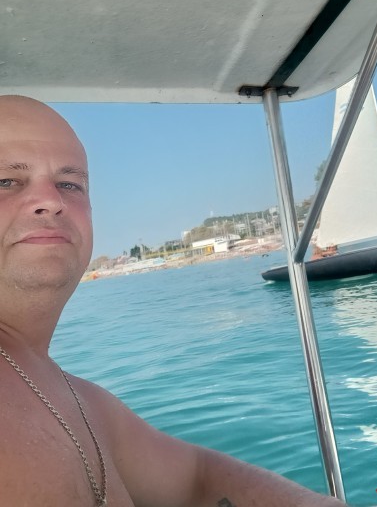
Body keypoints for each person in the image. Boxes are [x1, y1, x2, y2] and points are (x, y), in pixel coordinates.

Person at [0, 94, 346, 507]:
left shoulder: (82, 403)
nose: (52, 201)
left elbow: (196, 478)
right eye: (5, 181)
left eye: (69, 184)